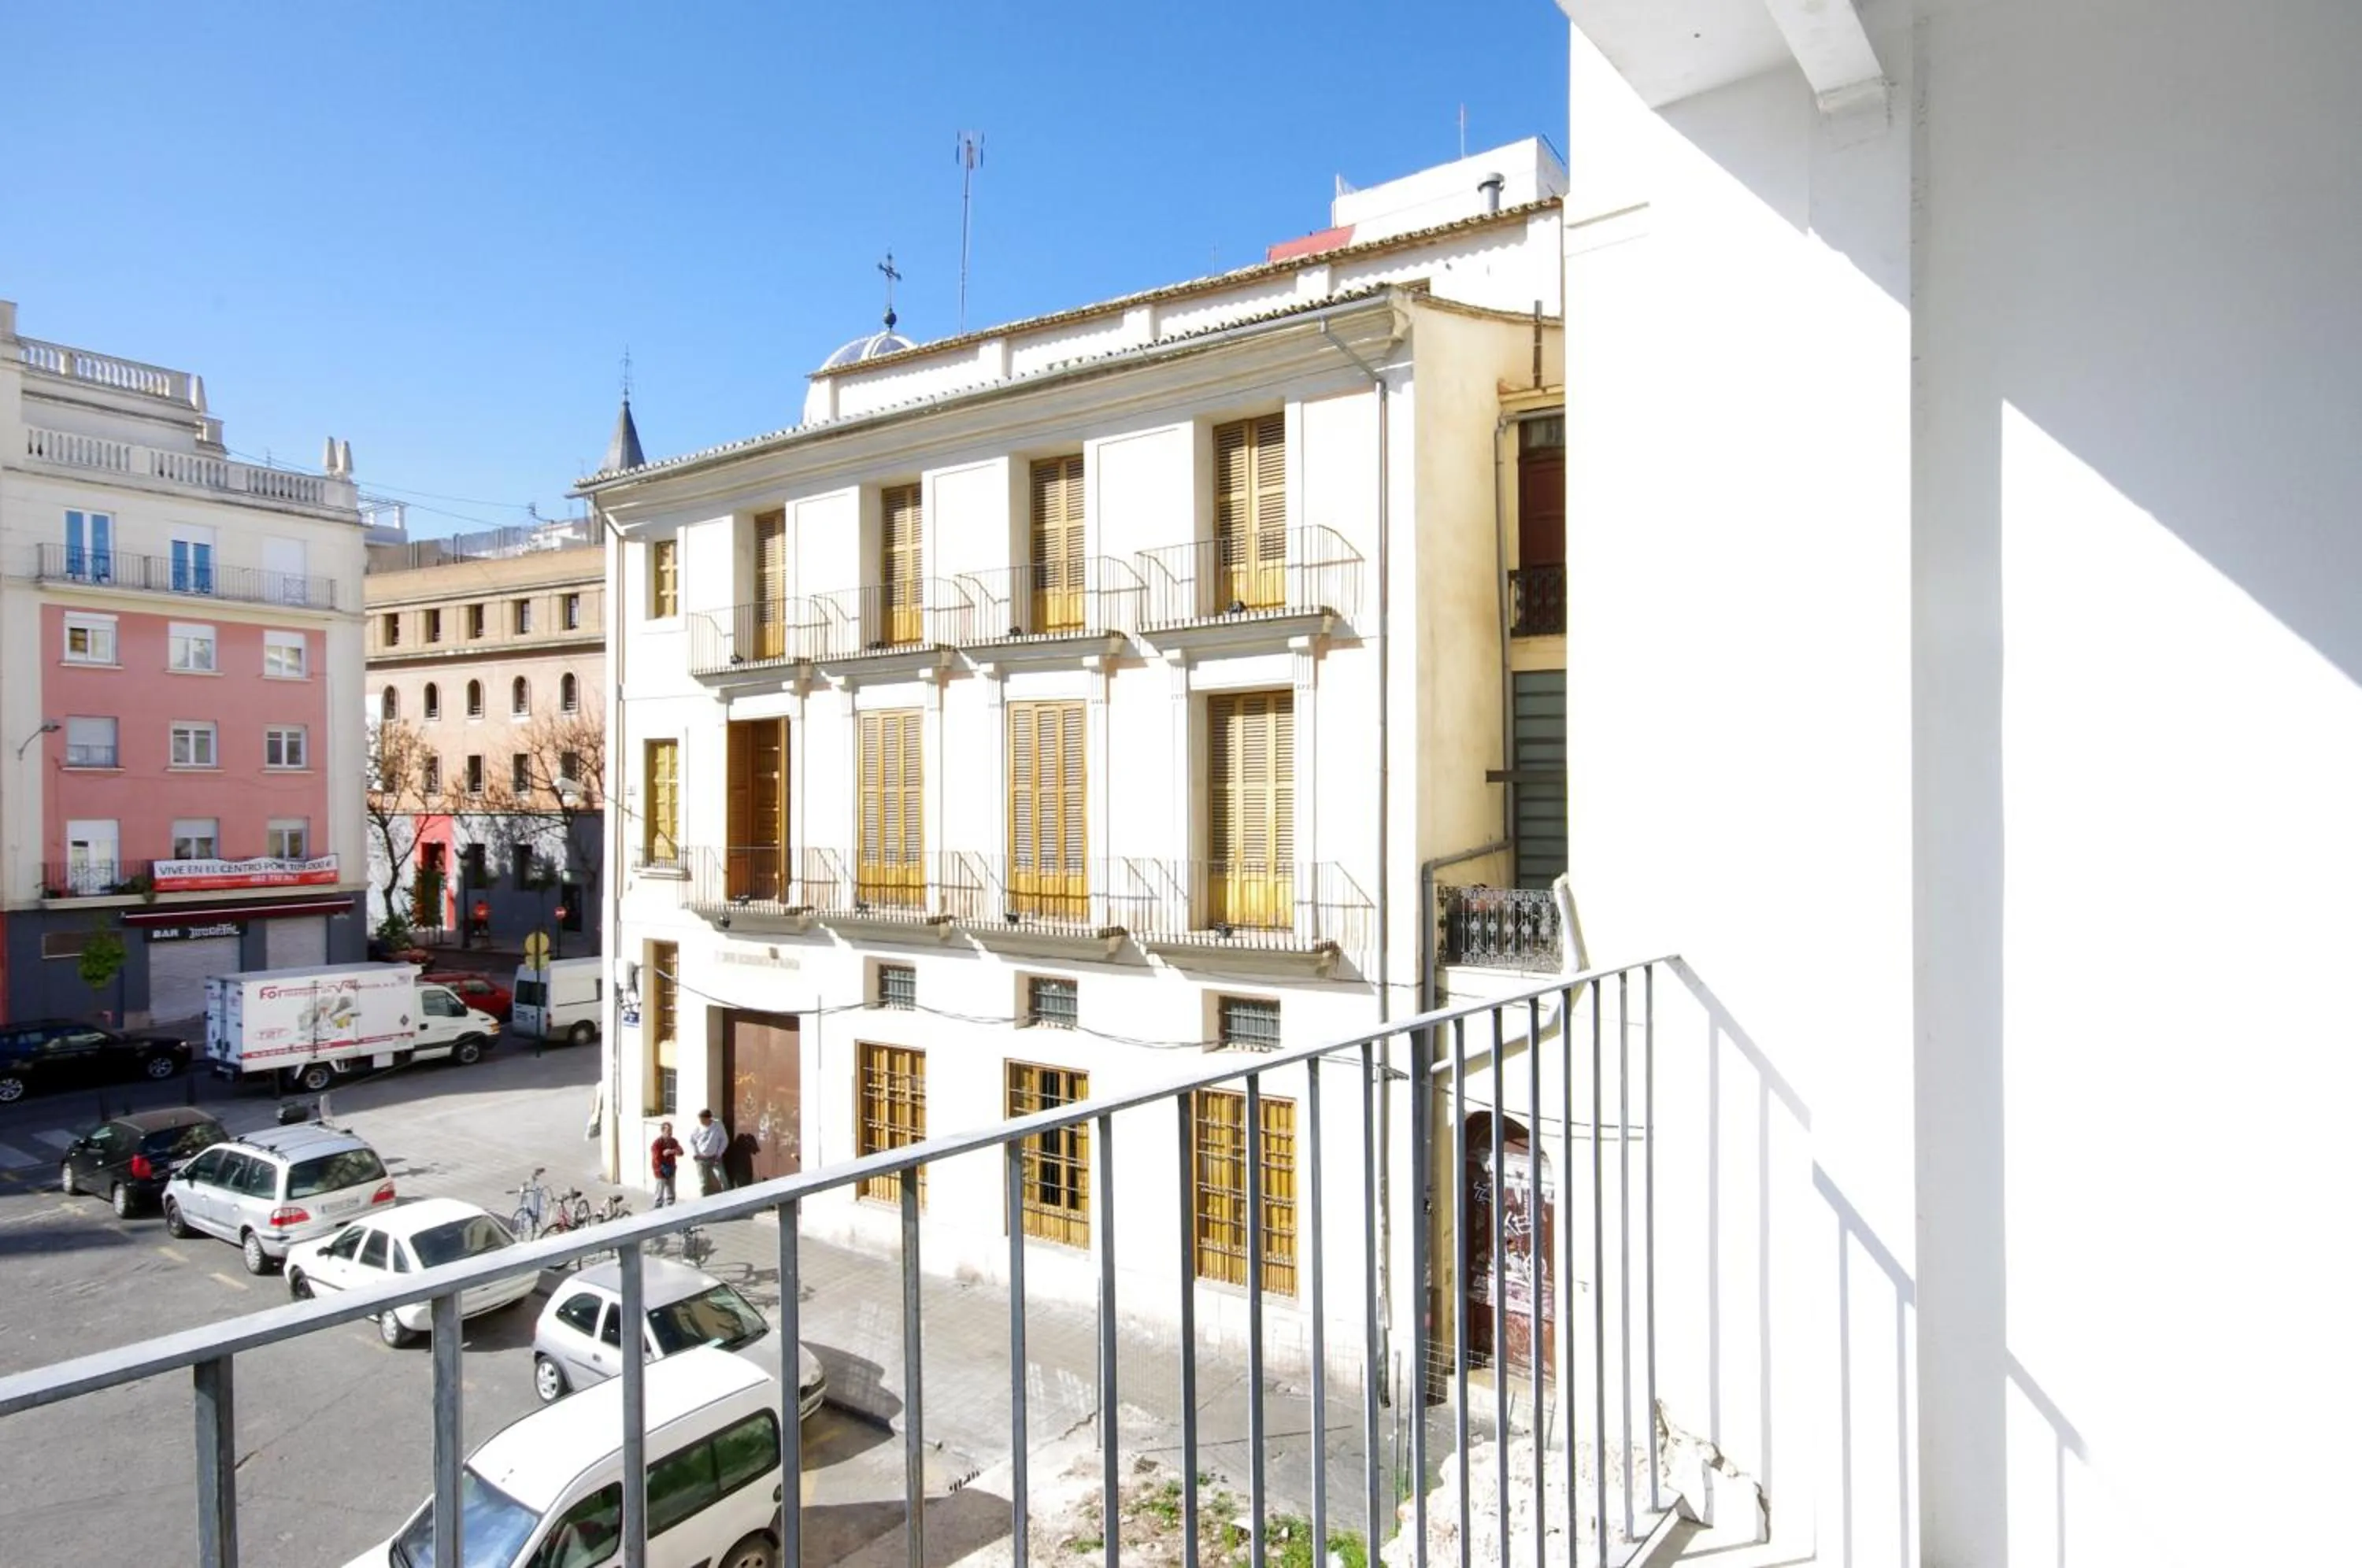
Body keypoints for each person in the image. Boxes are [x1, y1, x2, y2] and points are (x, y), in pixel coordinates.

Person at [688, 1108, 730, 1195]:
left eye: (703, 1120)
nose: (701, 1122)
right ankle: (704, 1202)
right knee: (704, 1183)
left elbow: (724, 1140)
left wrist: (719, 1154)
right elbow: (691, 1140)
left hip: (715, 1158)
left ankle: (728, 1198)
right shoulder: (698, 1127)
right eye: (700, 1120)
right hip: (702, 1159)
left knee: (723, 1179)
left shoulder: (717, 1125)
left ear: (708, 1118)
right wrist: (695, 1153)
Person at [650, 1121, 683, 1207]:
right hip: (660, 1170)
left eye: (671, 1130)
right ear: (663, 1131)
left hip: (671, 1168)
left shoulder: (673, 1141)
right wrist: (663, 1161)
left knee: (671, 1191)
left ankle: (671, 1206)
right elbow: (656, 1158)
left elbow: (681, 1152)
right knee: (660, 1190)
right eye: (668, 1131)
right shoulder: (657, 1143)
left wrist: (671, 1151)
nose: (670, 1133)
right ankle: (658, 1206)